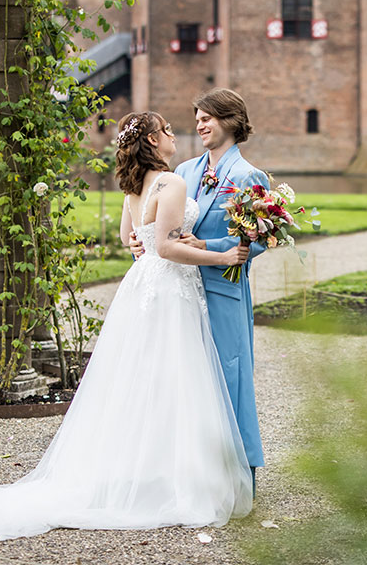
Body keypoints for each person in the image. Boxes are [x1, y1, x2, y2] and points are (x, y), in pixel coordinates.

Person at [0, 111, 253, 539]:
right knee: (174, 375)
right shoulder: (171, 182)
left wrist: (151, 246)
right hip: (170, 288)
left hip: (142, 286)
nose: (173, 134)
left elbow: (131, 240)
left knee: (141, 377)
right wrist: (222, 257)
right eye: (166, 130)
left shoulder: (134, 188)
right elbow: (170, 248)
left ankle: (146, 469)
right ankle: (174, 476)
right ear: (153, 142)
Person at [130, 87, 268, 478]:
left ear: (231, 121)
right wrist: (138, 238)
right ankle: (186, 473)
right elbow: (159, 221)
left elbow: (258, 239)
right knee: (182, 381)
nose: (199, 125)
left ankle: (241, 473)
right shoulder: (184, 171)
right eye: (197, 119)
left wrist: (209, 245)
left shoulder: (248, 175)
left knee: (229, 378)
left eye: (207, 118)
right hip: (179, 292)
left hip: (223, 292)